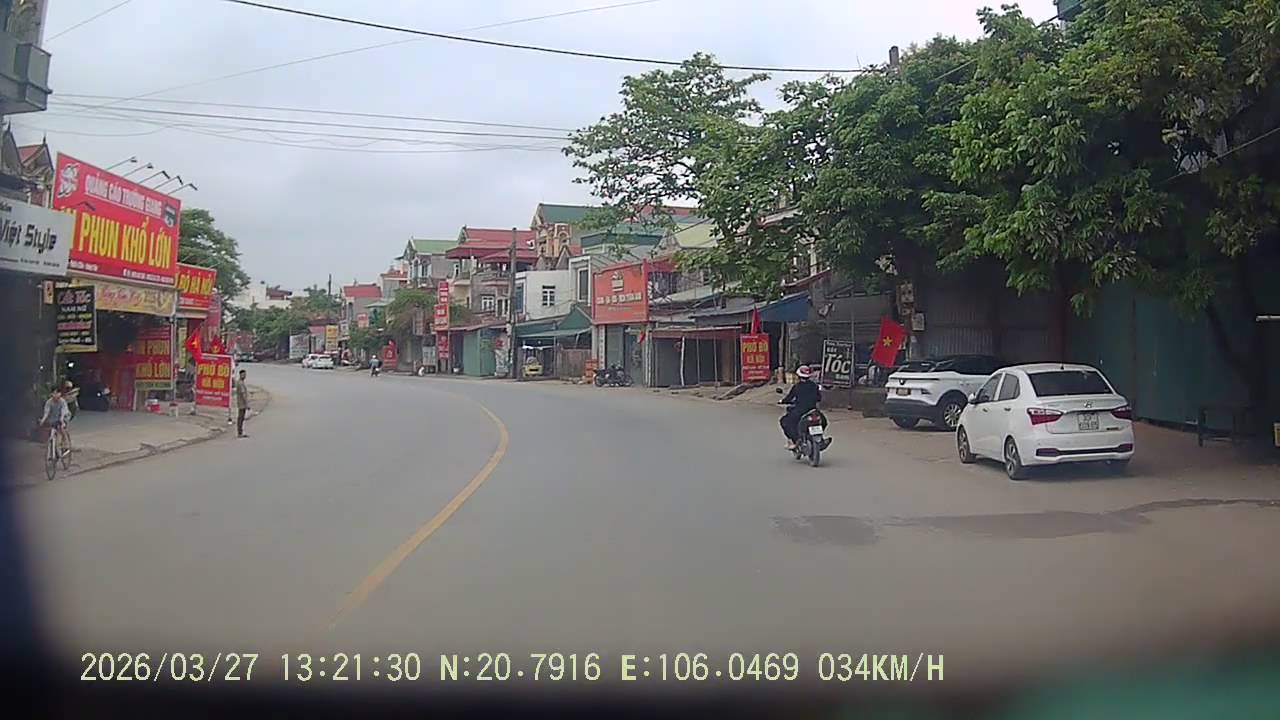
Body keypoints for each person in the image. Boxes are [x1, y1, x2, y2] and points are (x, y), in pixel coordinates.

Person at [779, 364, 822, 450]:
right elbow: (819, 398)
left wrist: (782, 401)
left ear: (798, 376)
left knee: (784, 421)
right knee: (823, 421)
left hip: (800, 411)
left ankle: (794, 441)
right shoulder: (814, 386)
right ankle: (821, 439)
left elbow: (789, 398)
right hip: (813, 410)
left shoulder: (797, 387)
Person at [39, 384, 72, 453]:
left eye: (57, 393)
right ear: (51, 394)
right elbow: (46, 412)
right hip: (53, 418)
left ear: (60, 394)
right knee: (51, 430)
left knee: (62, 428)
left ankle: (65, 444)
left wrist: (61, 419)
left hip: (63, 417)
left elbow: (63, 411)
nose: (55, 395)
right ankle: (52, 449)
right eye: (54, 393)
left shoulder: (62, 401)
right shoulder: (49, 402)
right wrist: (43, 420)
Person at [234, 368, 250, 438]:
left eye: (245, 375)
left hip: (241, 403)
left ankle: (240, 432)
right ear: (240, 375)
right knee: (240, 418)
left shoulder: (241, 382)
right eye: (243, 375)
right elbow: (243, 394)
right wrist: (247, 404)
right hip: (242, 403)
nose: (244, 376)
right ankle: (239, 432)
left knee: (241, 418)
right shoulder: (240, 383)